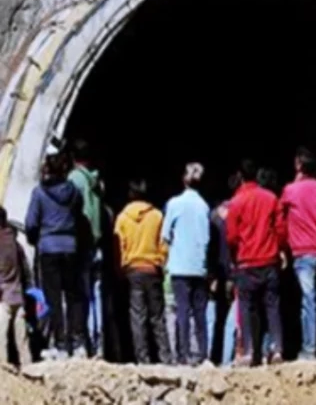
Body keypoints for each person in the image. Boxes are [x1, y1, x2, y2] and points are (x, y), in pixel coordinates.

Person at [25, 154, 87, 359]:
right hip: (71, 247)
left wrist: (36, 239)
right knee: (74, 296)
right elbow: (79, 218)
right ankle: (78, 342)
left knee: (53, 298)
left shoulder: (39, 193)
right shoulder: (75, 193)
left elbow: (31, 223)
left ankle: (60, 343)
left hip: (48, 248)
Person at [227, 158, 286, 366]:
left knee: (247, 307)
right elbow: (280, 230)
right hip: (269, 260)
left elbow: (231, 236)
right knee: (272, 306)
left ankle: (249, 352)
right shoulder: (271, 198)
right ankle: (277, 349)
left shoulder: (236, 202)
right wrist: (277, 249)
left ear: (241, 177)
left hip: (246, 262)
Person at [281, 147, 316, 361]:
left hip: (303, 253)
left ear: (298, 166)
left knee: (308, 301)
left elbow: (280, 217)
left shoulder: (291, 190)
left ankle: (310, 349)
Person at [115, 179, 173, 364]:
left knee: (137, 316)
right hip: (152, 269)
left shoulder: (123, 217)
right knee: (157, 316)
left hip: (133, 271)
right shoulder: (157, 216)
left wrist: (121, 268)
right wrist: (161, 262)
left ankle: (143, 359)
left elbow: (119, 245)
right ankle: (165, 358)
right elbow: (164, 244)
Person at [162, 162, 211, 365]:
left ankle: (182, 354)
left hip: (179, 265)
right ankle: (202, 353)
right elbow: (206, 238)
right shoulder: (204, 206)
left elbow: (165, 235)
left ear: (184, 179)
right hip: (198, 266)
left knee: (182, 310)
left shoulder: (174, 204)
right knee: (200, 311)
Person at [65, 139, 105, 357]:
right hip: (96, 245)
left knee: (79, 295)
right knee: (96, 294)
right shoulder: (96, 181)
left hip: (80, 244)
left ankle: (83, 343)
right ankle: (98, 343)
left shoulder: (74, 180)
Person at [206, 171, 240, 365]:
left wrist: (210, 274)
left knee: (213, 317)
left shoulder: (213, 215)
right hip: (236, 271)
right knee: (232, 321)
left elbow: (209, 246)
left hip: (217, 274)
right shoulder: (239, 212)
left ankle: (211, 357)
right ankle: (227, 360)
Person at [0, 207, 32, 367]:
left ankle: (3, 371)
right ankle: (29, 367)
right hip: (18, 295)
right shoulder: (14, 241)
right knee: (22, 339)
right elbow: (26, 269)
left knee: (1, 339)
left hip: (3, 297)